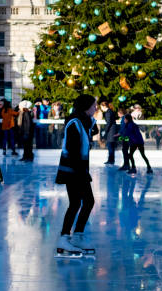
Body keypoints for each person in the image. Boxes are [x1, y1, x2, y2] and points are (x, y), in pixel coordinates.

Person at [55, 94, 98, 257]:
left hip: (79, 169)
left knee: (84, 202)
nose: (96, 108)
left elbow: (94, 129)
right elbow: (72, 149)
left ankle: (77, 236)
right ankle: (65, 238)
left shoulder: (84, 122)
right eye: (94, 105)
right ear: (86, 106)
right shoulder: (75, 123)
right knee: (78, 203)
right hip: (73, 169)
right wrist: (79, 173)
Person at [101, 101, 117, 165]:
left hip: (111, 131)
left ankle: (110, 160)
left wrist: (105, 131)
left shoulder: (107, 113)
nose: (101, 108)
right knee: (111, 146)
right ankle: (111, 160)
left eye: (101, 107)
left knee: (110, 146)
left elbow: (109, 123)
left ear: (104, 106)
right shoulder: (110, 111)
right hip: (113, 130)